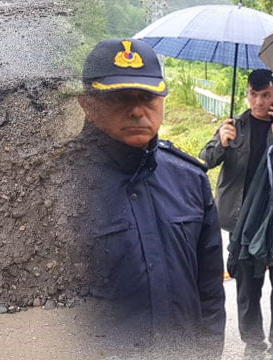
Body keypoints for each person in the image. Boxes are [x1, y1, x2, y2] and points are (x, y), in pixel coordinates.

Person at [70, 38, 225, 358]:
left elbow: (209, 295)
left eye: (148, 97)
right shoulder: (57, 184)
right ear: (87, 104)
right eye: (120, 98)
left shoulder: (190, 179)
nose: (138, 110)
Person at [200, 70, 273, 359]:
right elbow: (205, 162)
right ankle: (253, 346)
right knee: (248, 288)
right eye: (253, 94)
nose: (258, 102)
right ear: (247, 93)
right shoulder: (234, 126)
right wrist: (220, 142)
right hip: (243, 221)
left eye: (266, 95)